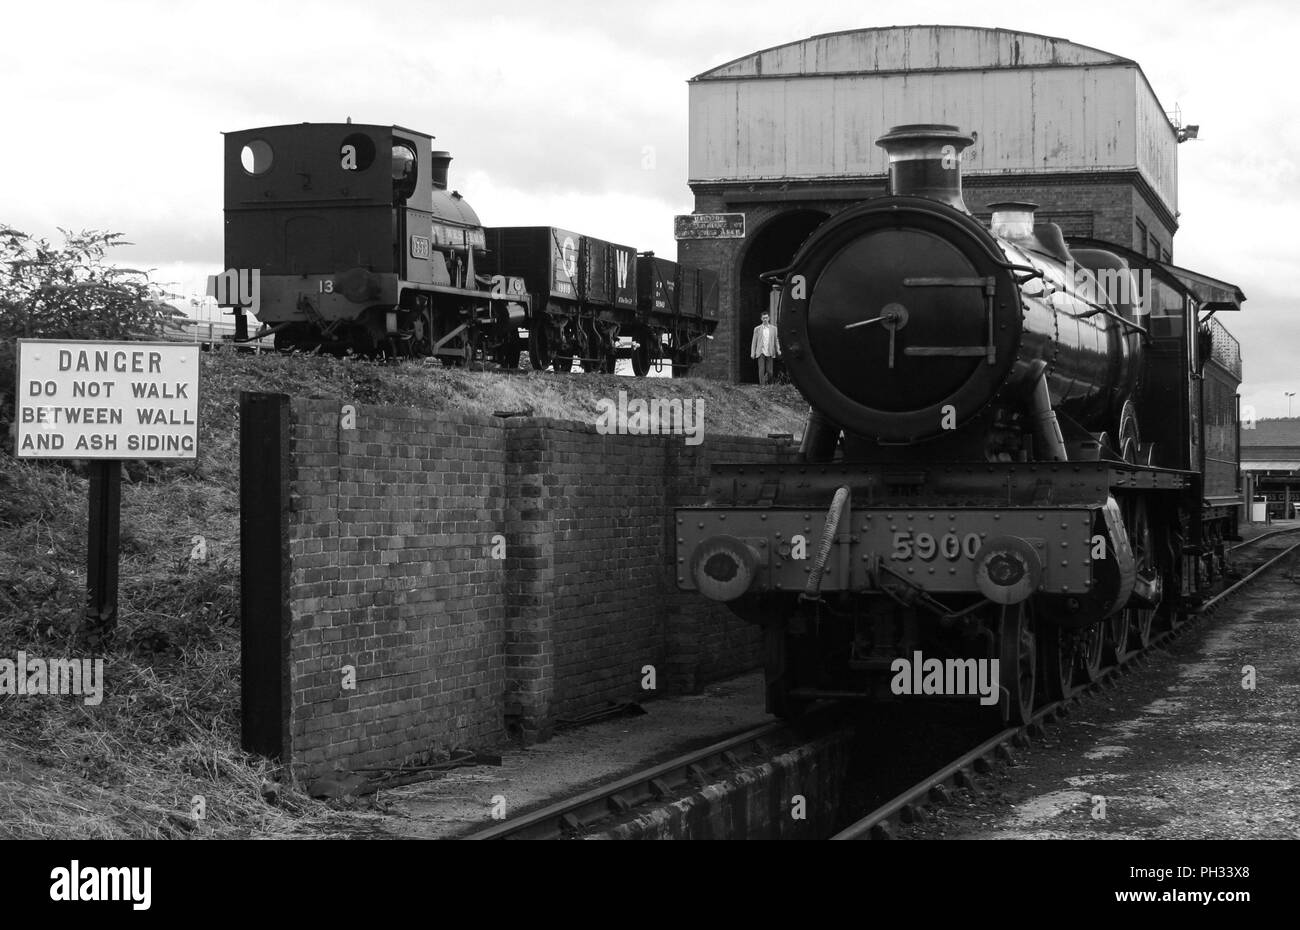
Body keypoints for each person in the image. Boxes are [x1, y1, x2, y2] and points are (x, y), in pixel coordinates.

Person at [751, 312, 780, 385]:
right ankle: (762, 386)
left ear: (769, 318)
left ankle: (769, 385)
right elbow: (754, 342)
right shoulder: (757, 329)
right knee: (761, 370)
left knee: (770, 371)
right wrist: (752, 352)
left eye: (766, 318)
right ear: (761, 319)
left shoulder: (774, 329)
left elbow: (776, 340)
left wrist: (778, 350)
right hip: (761, 352)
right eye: (763, 318)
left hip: (770, 352)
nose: (765, 319)